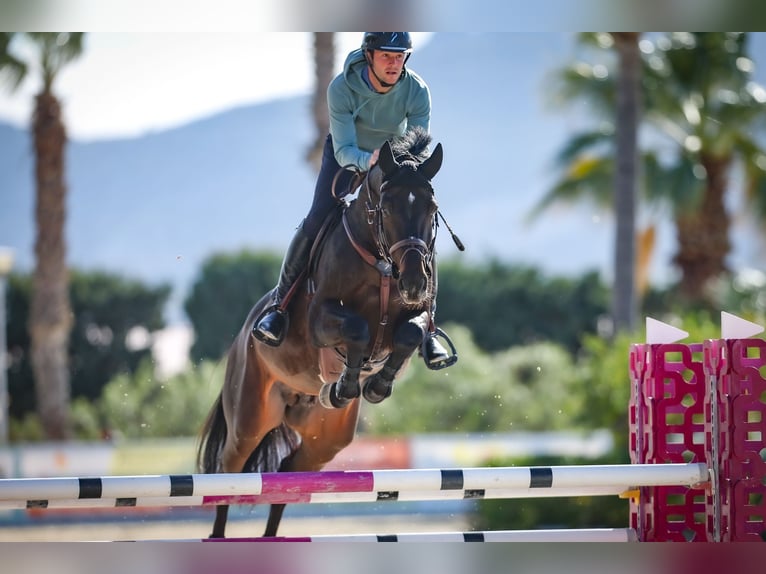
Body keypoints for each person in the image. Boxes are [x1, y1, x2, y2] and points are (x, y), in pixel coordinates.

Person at [253, 32, 453, 369]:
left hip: (393, 161)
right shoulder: (341, 88)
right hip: (346, 156)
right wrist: (369, 161)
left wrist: (398, 169)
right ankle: (279, 308)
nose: (394, 63)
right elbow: (345, 149)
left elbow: (417, 144)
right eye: (387, 56)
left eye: (401, 56)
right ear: (370, 55)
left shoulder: (417, 90)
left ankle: (428, 326)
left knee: (418, 228)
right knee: (316, 219)